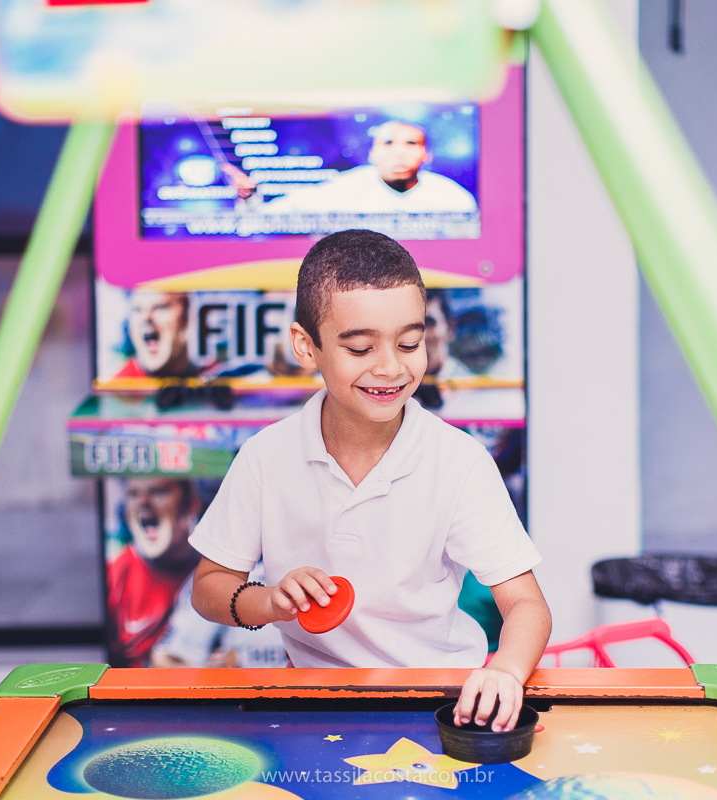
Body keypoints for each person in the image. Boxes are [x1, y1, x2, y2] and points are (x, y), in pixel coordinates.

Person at [189, 229, 550, 732]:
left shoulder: (458, 461)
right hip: (315, 702)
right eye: (360, 348)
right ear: (306, 346)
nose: (391, 367)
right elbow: (209, 588)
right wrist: (269, 602)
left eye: (410, 342)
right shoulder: (265, 457)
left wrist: (506, 671)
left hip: (447, 697)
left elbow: (527, 603)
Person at [262, 121, 478, 215]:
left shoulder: (453, 198)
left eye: (410, 144)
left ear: (426, 154)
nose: (398, 153)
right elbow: (282, 211)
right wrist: (251, 199)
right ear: (372, 154)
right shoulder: (346, 187)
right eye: (388, 144)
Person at [107, 477, 203, 667]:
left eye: (159, 491)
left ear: (191, 503)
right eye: (133, 494)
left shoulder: (216, 571)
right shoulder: (115, 574)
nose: (144, 503)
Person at [151, 565, 288, 669]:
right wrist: (215, 679)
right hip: (247, 702)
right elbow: (165, 658)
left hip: (305, 700)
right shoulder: (224, 575)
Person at [116, 289, 201, 378]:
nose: (146, 317)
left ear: (186, 319)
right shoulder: (117, 387)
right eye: (137, 310)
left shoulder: (211, 378)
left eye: (160, 307)